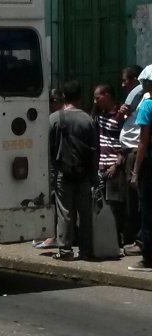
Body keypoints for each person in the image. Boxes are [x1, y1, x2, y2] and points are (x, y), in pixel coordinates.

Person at [50, 80, 98, 260]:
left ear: (63, 97)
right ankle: (86, 251)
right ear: (80, 97)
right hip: (84, 174)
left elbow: (49, 148)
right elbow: (95, 150)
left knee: (65, 212)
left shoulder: (54, 118)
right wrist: (94, 176)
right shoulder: (88, 120)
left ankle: (65, 250)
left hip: (63, 172)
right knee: (85, 214)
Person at [93, 83, 126, 246]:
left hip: (114, 169)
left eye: (97, 98)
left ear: (107, 96)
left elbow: (125, 144)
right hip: (100, 169)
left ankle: (117, 241)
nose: (94, 101)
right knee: (99, 205)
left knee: (115, 207)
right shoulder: (99, 117)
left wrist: (117, 165)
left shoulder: (120, 117)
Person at [33, 88, 65, 249]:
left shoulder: (56, 119)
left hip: (58, 166)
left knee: (55, 201)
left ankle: (53, 237)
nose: (49, 105)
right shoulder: (51, 118)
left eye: (51, 102)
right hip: (52, 165)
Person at [128, 65, 152, 272]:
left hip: (149, 165)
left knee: (147, 211)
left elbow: (143, 141)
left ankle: (148, 259)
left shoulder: (147, 106)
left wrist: (135, 171)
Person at [119, 65, 144, 253]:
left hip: (136, 153)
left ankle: (140, 240)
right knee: (131, 200)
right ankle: (133, 237)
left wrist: (135, 169)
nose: (122, 84)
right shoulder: (137, 102)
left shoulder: (145, 100)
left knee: (137, 201)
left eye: (125, 80)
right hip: (129, 152)